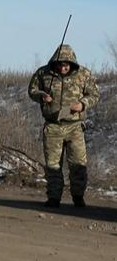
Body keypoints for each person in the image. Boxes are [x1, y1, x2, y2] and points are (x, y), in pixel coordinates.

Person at [28, 44, 100, 208]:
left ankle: (78, 197)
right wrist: (41, 96)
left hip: (75, 127)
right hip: (53, 126)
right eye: (60, 64)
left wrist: (82, 104)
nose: (63, 67)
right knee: (53, 166)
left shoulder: (84, 74)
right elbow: (32, 90)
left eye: (66, 64)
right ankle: (54, 198)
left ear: (72, 63)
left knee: (78, 165)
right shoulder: (43, 73)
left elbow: (94, 94)